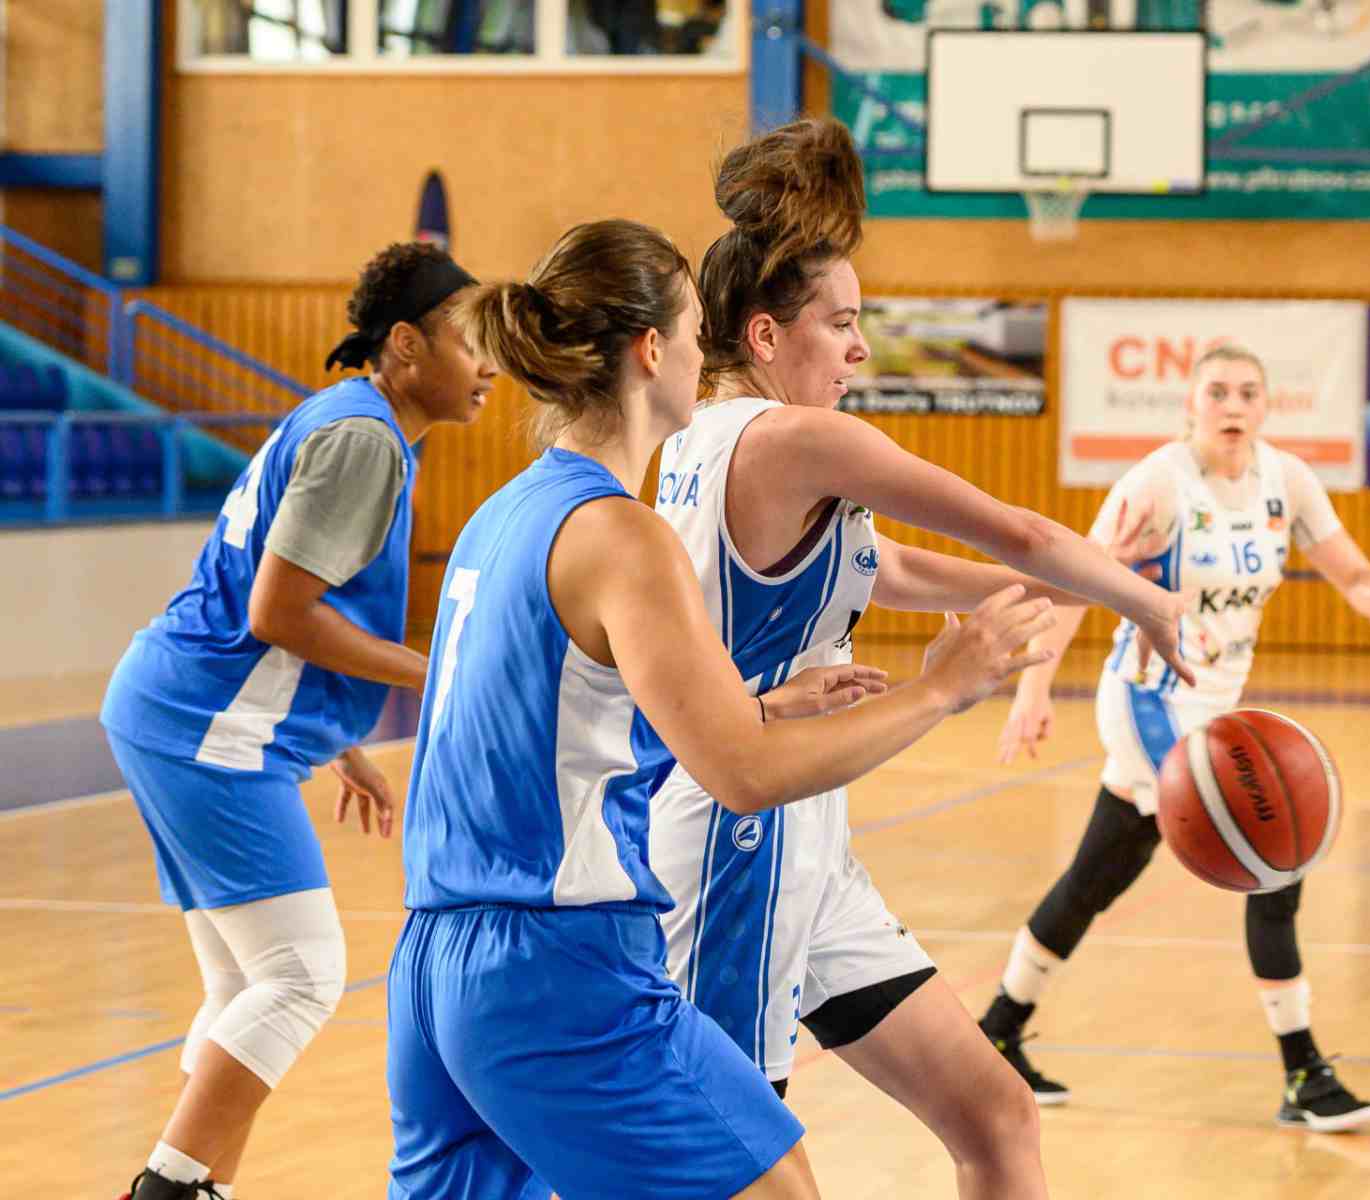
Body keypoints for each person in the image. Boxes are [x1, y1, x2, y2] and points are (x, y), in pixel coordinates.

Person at [384, 218, 1057, 1200]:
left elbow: (554, 733)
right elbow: (743, 776)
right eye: (698, 332)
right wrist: (942, 688)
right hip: (557, 962)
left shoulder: (505, 514)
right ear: (651, 351)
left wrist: (756, 704)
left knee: (807, 1157)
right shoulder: (623, 534)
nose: (708, 356)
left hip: (435, 958)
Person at [650, 116, 1192, 1199]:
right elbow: (1017, 530)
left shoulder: (706, 441)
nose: (860, 349)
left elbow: (887, 567)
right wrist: (1150, 602)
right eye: (843, 323)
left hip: (808, 847)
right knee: (725, 1172)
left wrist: (1064, 590)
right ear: (765, 335)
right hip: (735, 847)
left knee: (995, 1113)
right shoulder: (797, 439)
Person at [103, 243, 496, 1200]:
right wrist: (438, 674)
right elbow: (277, 611)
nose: (489, 364)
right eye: (468, 341)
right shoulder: (365, 439)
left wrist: (338, 739)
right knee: (303, 974)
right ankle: (165, 1189)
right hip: (205, 725)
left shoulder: (351, 422)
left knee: (248, 987)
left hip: (179, 709)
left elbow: (284, 602)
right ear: (405, 345)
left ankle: (200, 1187)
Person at [977, 343, 1370, 1133]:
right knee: (1276, 857)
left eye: (1248, 393)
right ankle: (1304, 1074)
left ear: (1266, 407)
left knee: (1098, 875)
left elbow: (1351, 572)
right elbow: (1075, 579)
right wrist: (1034, 690)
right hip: (1148, 701)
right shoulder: (1158, 483)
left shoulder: (1286, 481)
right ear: (1190, 404)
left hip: (1217, 708)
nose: (1233, 406)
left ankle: (997, 1032)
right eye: (1217, 392)